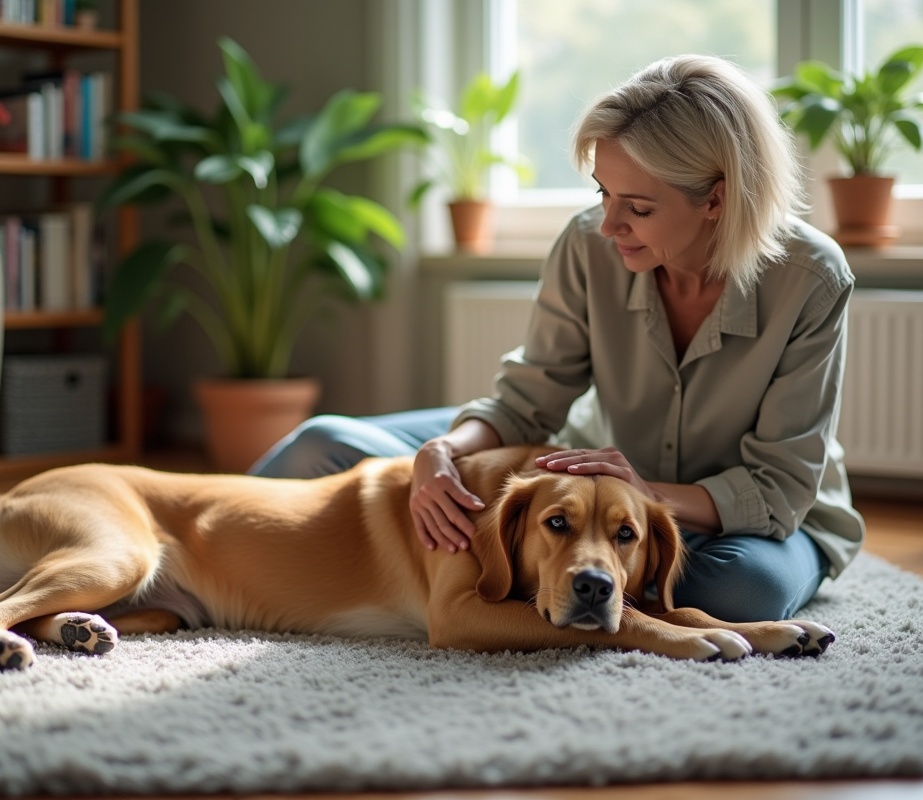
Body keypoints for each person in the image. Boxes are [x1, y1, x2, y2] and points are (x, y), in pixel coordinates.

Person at [251, 54, 865, 623]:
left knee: (737, 592)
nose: (609, 223)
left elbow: (779, 488)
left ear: (717, 199)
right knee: (321, 444)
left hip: (744, 518)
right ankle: (197, 555)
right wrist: (441, 452)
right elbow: (526, 403)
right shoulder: (588, 245)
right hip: (592, 488)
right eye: (603, 193)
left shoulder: (811, 277)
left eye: (638, 208)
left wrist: (644, 496)